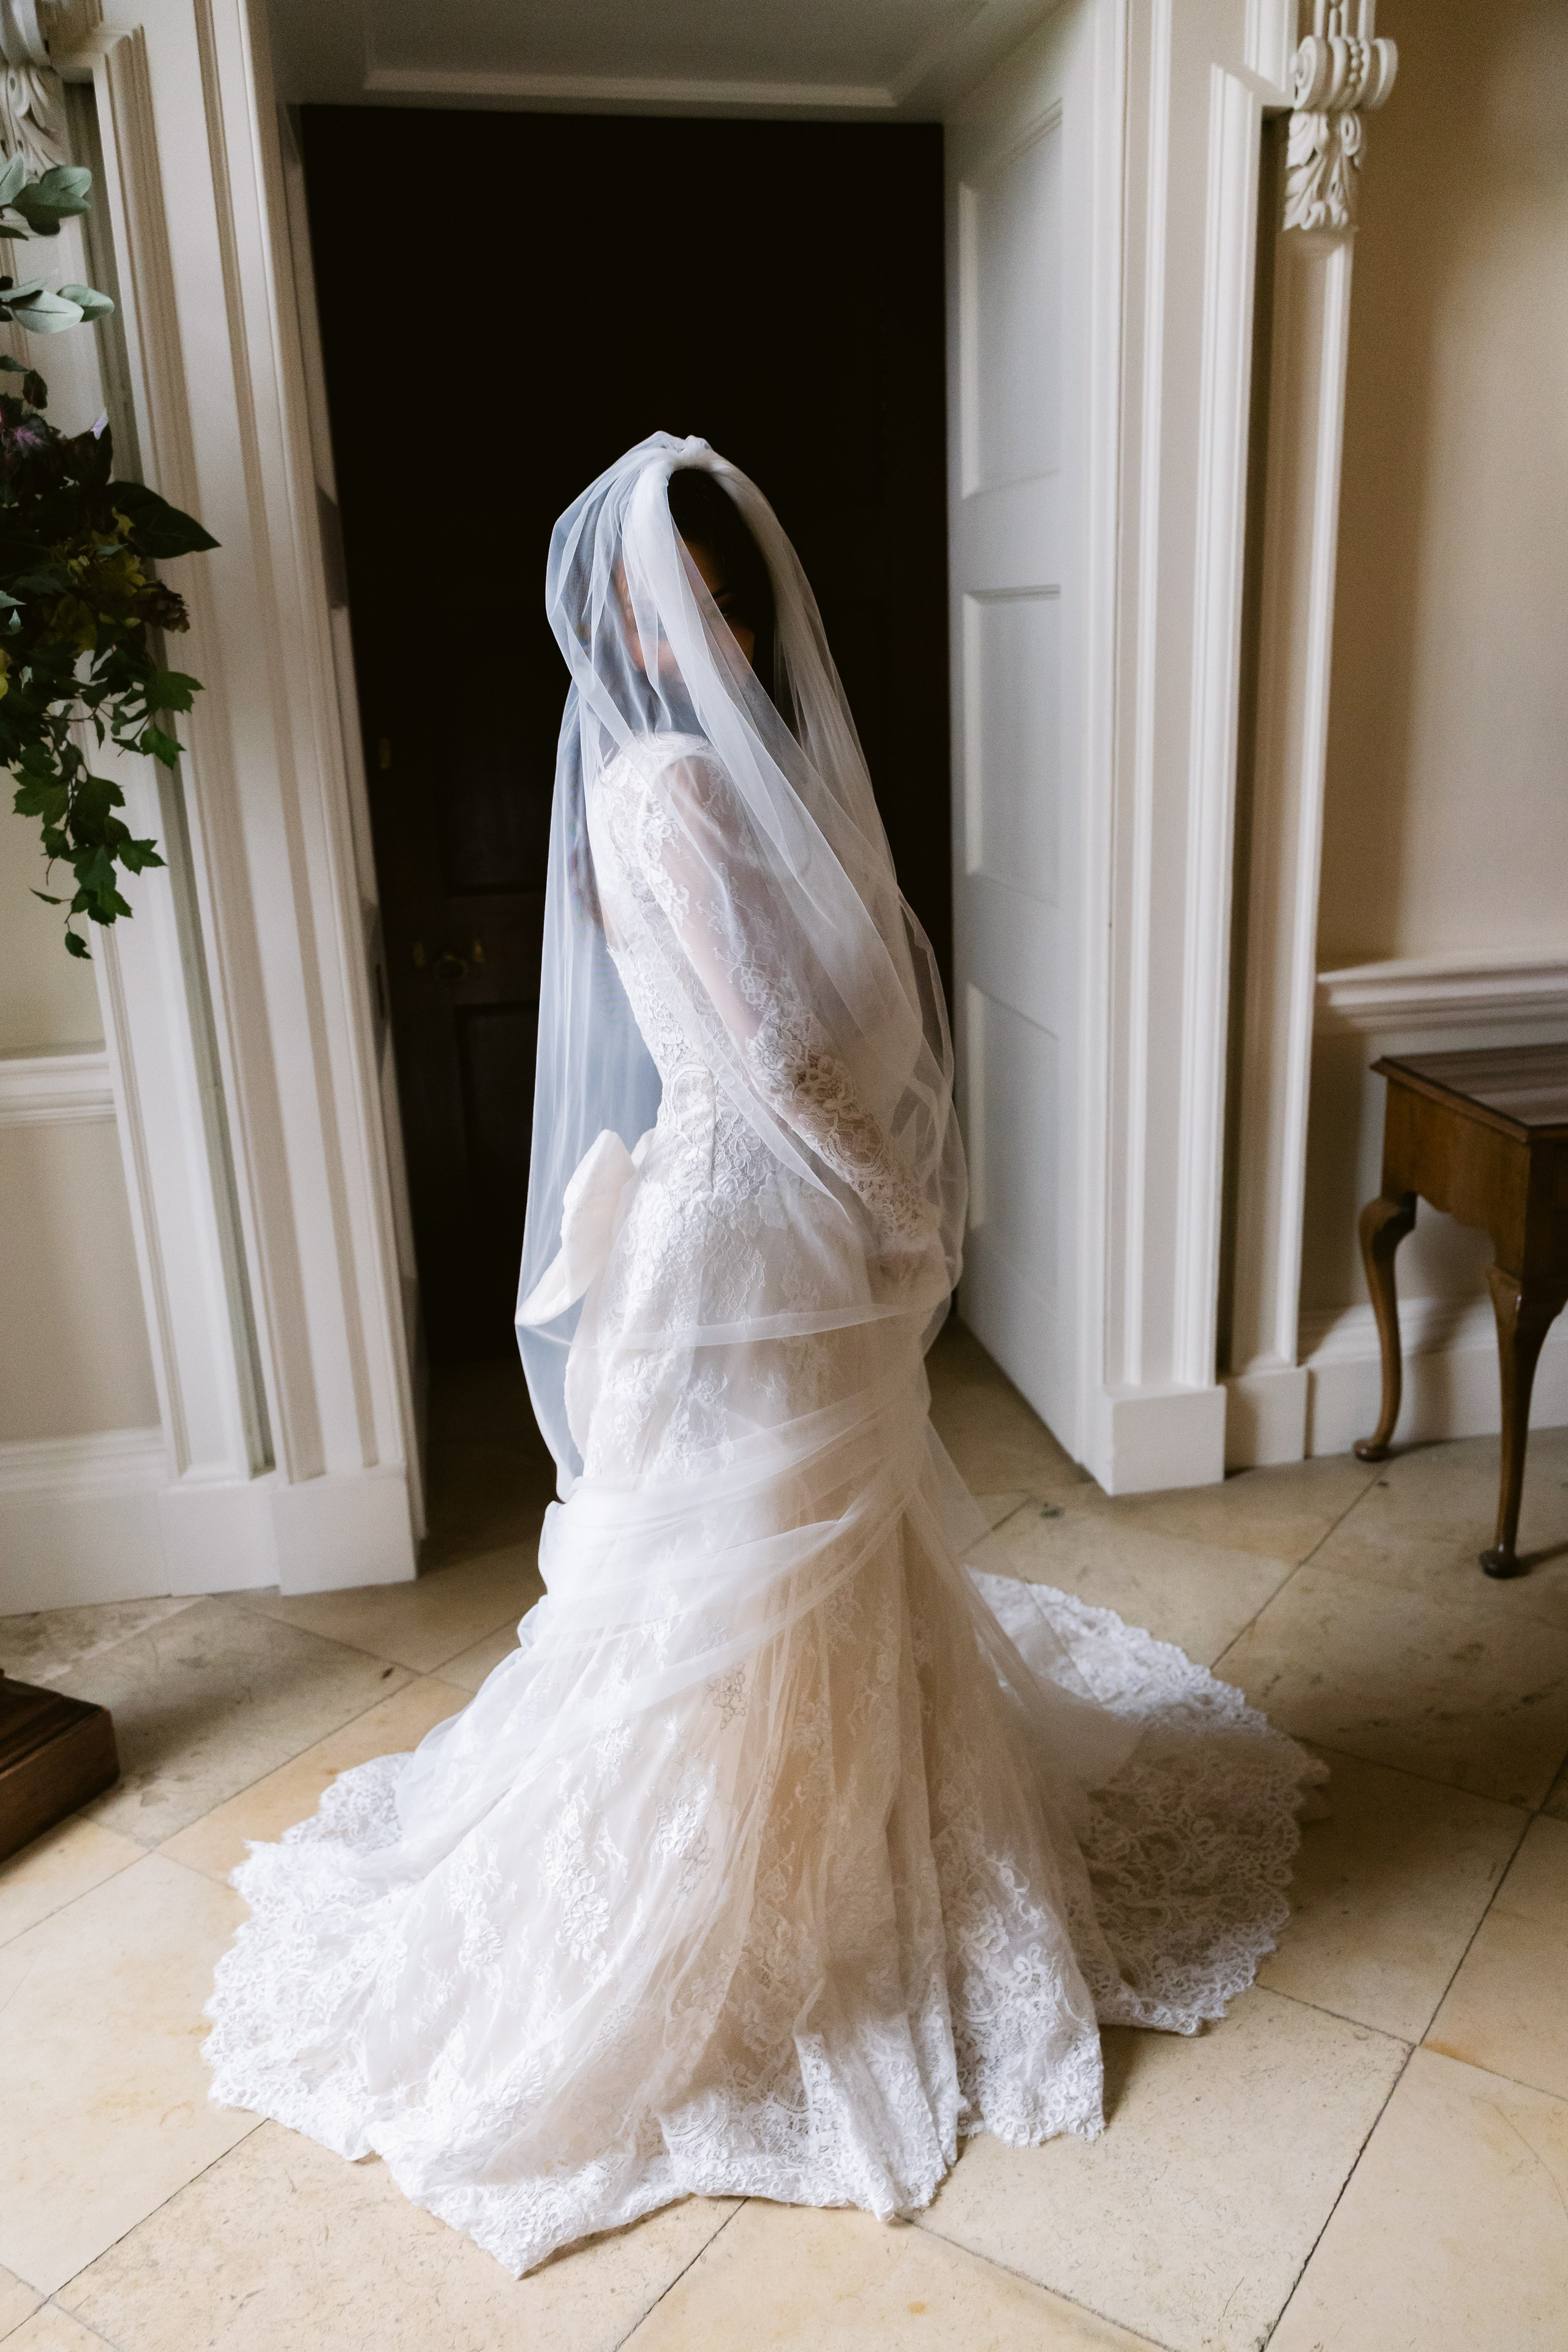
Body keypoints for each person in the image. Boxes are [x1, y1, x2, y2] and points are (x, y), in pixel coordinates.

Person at [204, 434, 1321, 2277]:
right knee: (746, 1563)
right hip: (757, 1226)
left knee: (808, 1549)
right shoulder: (680, 798)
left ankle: (850, 1850)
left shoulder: (651, 786)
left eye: (729, 600)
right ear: (643, 621)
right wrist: (905, 1216)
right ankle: (738, 1911)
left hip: (742, 1215)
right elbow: (781, 1061)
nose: (718, 629)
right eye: (693, 603)